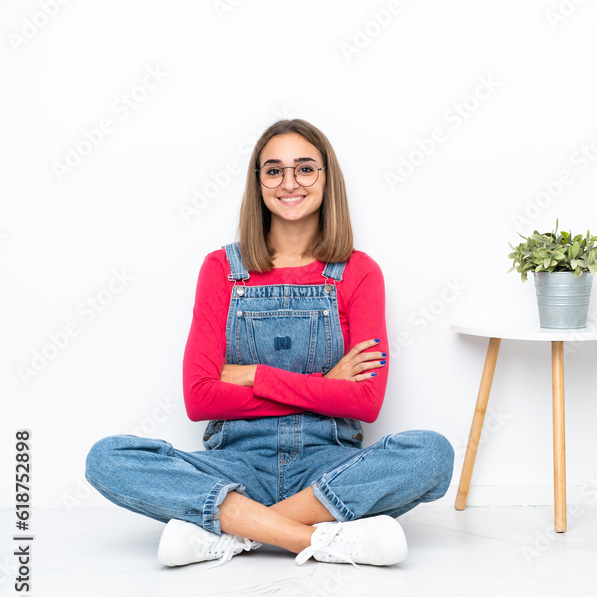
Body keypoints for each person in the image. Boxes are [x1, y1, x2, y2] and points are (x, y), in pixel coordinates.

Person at [85, 118, 454, 568]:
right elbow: (200, 398)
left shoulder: (358, 272)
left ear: (326, 179)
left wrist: (255, 377)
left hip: (326, 469)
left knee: (431, 452)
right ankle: (314, 537)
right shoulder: (221, 267)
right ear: (258, 183)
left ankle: (236, 532)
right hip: (236, 467)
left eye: (305, 168)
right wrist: (325, 386)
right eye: (274, 170)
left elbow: (366, 402)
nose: (289, 182)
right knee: (107, 458)